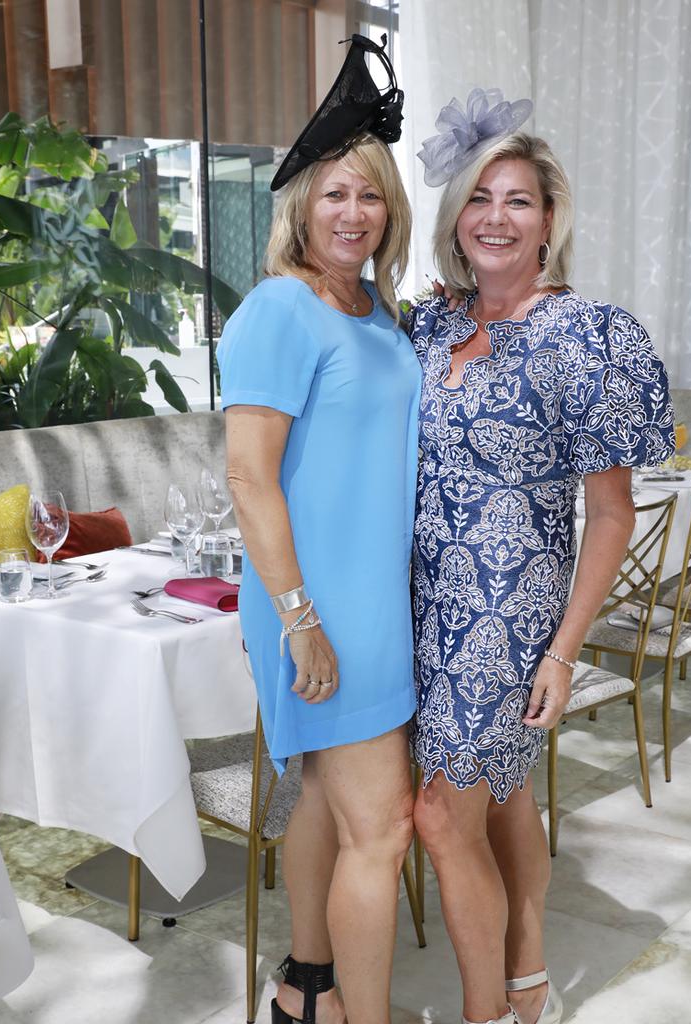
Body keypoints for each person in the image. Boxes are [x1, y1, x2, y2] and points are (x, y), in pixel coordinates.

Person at [408, 89, 675, 1024]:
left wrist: (563, 650)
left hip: (511, 607)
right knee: (504, 795)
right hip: (424, 600)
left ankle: (484, 1013)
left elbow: (610, 515)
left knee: (441, 815)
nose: (496, 216)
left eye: (518, 199)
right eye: (479, 198)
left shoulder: (586, 337)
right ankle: (526, 973)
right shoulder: (434, 325)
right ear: (455, 218)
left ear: (550, 220)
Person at [217, 35, 420, 1024]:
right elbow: (249, 476)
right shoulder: (278, 311)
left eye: (370, 193)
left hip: (377, 602)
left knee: (328, 806)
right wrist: (299, 615)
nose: (352, 212)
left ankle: (307, 987)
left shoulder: (379, 313)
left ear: (392, 210)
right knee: (380, 832)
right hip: (316, 603)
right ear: (301, 201)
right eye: (335, 192)